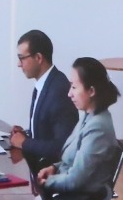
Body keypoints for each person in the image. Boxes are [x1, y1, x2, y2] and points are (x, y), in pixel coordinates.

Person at [36, 57, 122, 200]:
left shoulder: (98, 127)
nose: (69, 93)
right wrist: (54, 168)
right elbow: (74, 159)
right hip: (71, 198)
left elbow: (76, 180)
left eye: (74, 87)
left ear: (91, 91)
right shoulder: (89, 116)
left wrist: (46, 183)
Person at [7, 29, 78, 171]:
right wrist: (27, 134)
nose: (19, 64)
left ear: (38, 58)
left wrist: (25, 143)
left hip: (52, 173)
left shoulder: (58, 91)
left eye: (22, 58)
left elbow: (62, 147)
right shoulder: (46, 83)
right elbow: (48, 131)